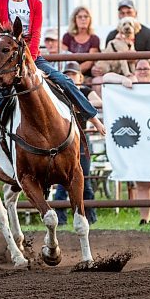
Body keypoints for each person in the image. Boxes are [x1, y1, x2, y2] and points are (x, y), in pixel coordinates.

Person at [0, 0, 106, 159]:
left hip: (31, 56)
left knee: (64, 81)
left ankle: (94, 119)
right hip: (10, 60)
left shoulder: (34, 3)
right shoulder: (0, 2)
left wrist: (30, 61)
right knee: (1, 97)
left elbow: (36, 33)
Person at [103, 59, 150, 225]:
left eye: (146, 68)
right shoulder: (131, 85)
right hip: (141, 144)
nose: (142, 71)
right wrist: (123, 79)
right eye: (139, 68)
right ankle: (145, 220)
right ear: (134, 71)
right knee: (143, 182)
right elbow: (107, 77)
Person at [54, 61, 102, 225]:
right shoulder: (58, 92)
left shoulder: (85, 91)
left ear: (80, 77)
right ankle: (61, 219)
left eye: (73, 74)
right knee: (62, 179)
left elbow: (98, 102)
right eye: (67, 75)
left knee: (84, 179)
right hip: (61, 140)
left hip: (80, 140)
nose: (70, 77)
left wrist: (79, 104)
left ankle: (90, 217)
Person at [62, 6, 100, 81]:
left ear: (90, 19)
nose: (83, 19)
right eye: (80, 17)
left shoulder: (94, 38)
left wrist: (75, 73)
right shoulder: (67, 37)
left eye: (86, 16)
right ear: (74, 20)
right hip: (68, 73)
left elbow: (90, 61)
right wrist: (70, 73)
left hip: (86, 75)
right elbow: (63, 57)